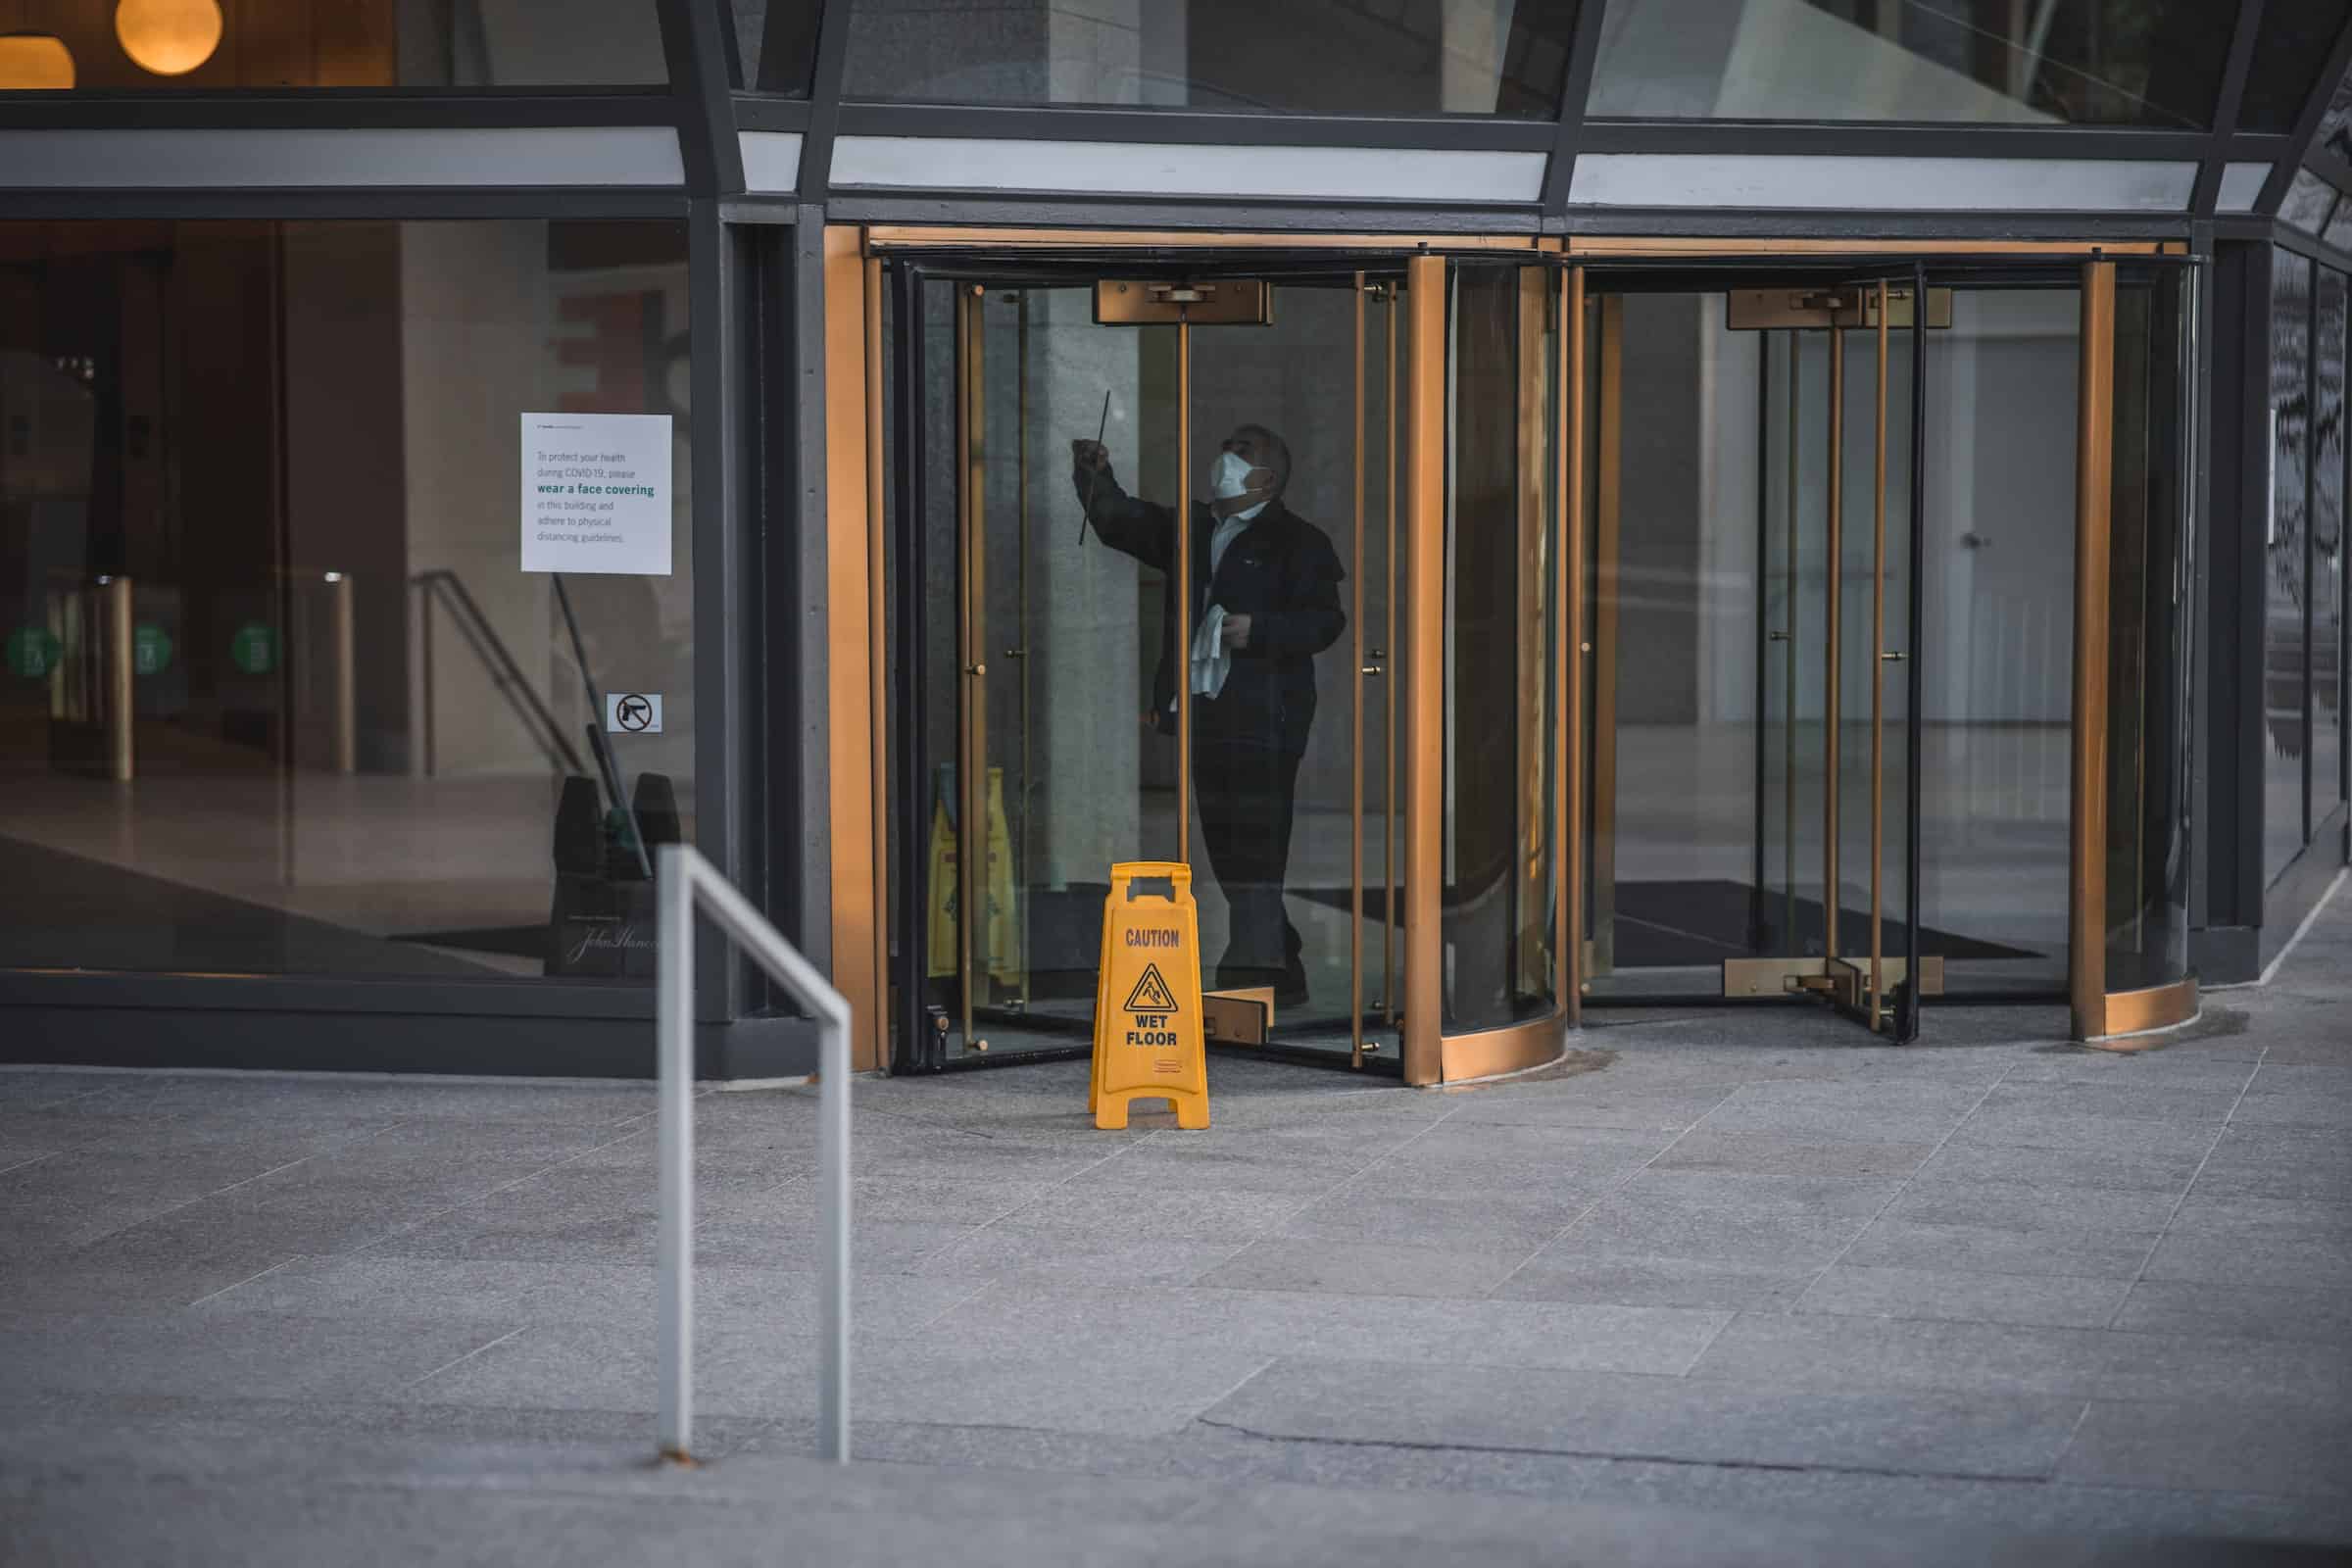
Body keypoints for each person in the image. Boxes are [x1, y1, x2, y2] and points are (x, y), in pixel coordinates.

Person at [1072, 423, 1344, 1007]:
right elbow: (1121, 520)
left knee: (1260, 842)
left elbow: (1325, 622)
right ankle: (1279, 957)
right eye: (1226, 447)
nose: (1225, 457)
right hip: (1207, 711)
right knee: (1226, 842)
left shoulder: (1299, 541)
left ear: (1266, 478)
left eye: (1241, 452)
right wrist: (1094, 473)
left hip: (1266, 716)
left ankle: (1252, 973)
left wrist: (1258, 631)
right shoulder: (1195, 528)